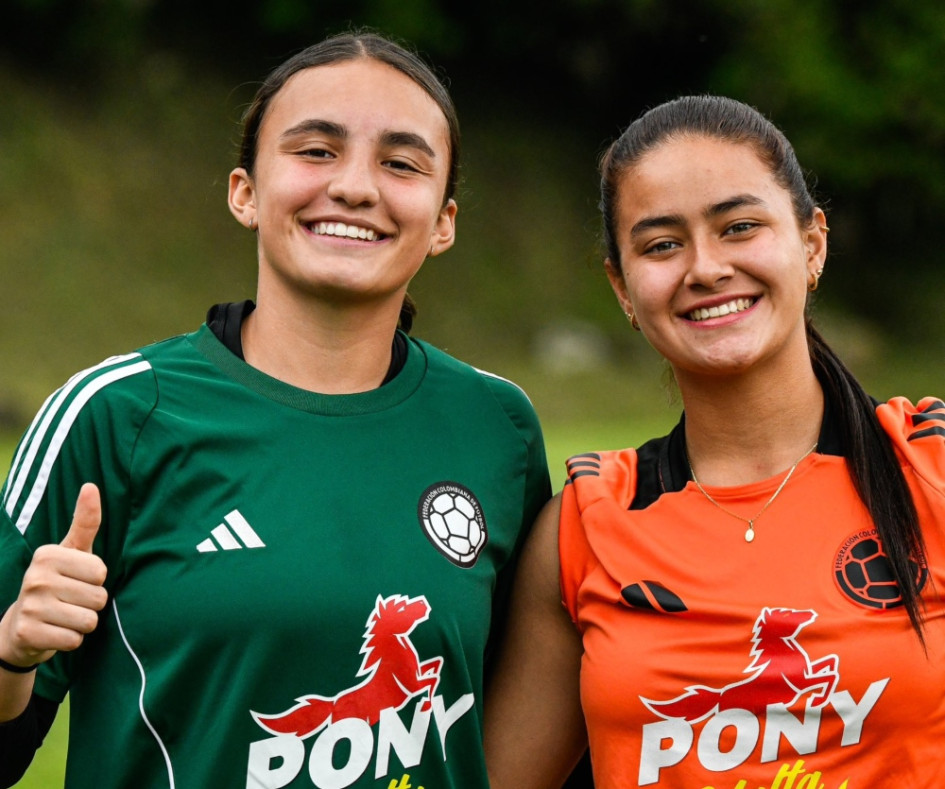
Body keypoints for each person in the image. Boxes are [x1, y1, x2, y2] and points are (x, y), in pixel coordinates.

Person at [0, 31, 551, 789]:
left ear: (445, 219)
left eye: (400, 162)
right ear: (245, 192)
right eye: (316, 150)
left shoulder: (498, 426)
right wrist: (11, 652)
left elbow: (527, 729)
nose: (356, 186)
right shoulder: (113, 413)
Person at [484, 95, 945, 788]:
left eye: (738, 226)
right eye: (662, 243)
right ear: (621, 289)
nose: (704, 267)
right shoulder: (584, 524)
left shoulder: (929, 463)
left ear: (812, 242)